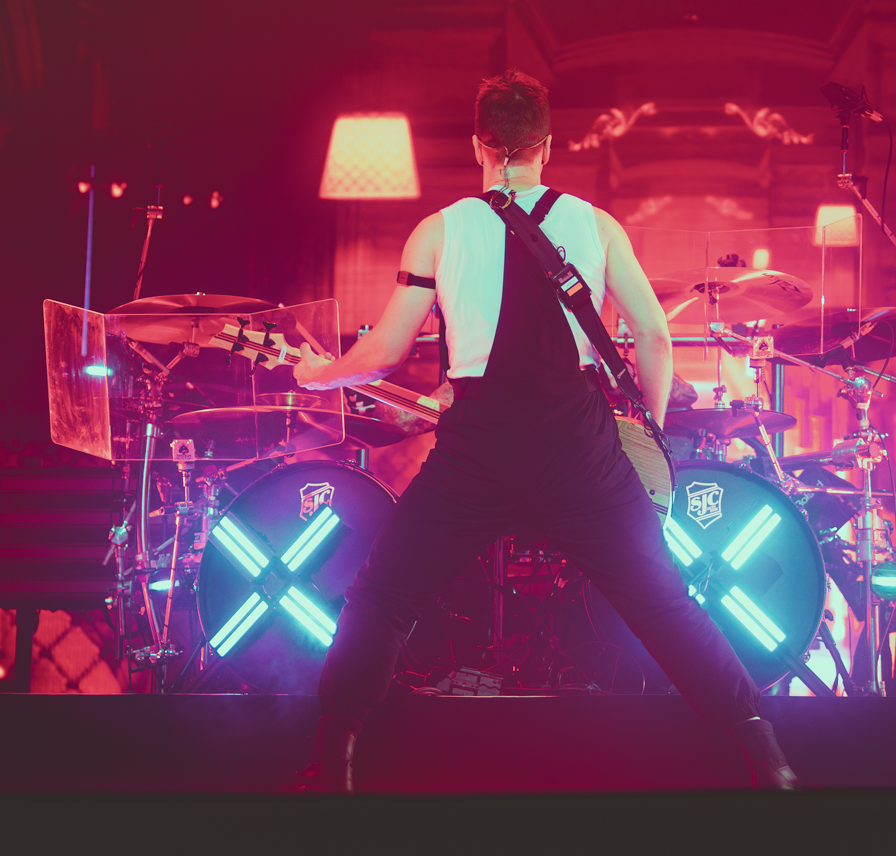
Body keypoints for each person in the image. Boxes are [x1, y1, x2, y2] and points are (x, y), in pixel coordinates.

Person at [291, 71, 798, 791]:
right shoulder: (596, 224)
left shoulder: (438, 230)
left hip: (477, 452)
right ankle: (767, 759)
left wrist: (320, 373)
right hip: (579, 449)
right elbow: (654, 337)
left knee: (385, 597)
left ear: (478, 144)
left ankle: (332, 762)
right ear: (547, 146)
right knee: (663, 606)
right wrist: (645, 433)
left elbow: (384, 352)